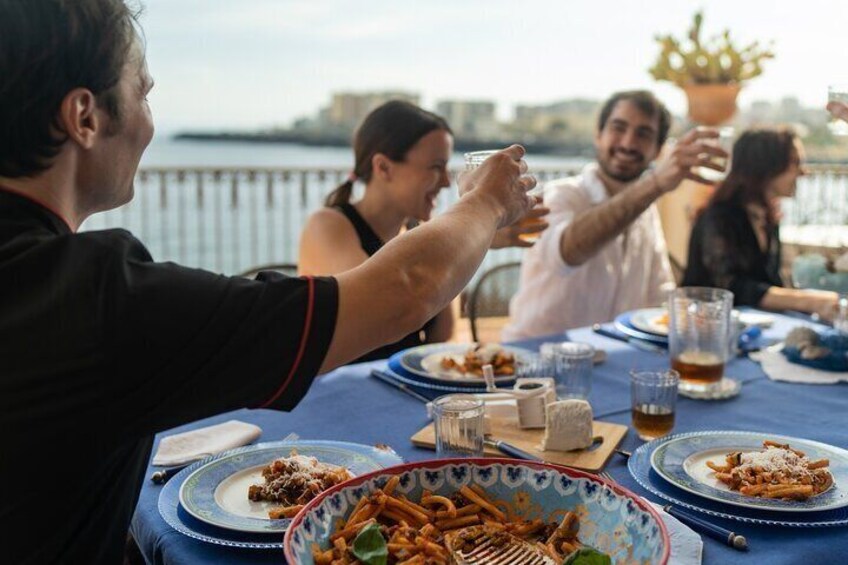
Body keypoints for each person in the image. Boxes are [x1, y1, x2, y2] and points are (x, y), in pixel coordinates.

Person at [0, 2, 534, 563]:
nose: (149, 123)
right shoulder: (89, 298)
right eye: (145, 92)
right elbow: (403, 290)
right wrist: (488, 200)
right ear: (84, 116)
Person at [299, 100, 549, 360]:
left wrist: (475, 237)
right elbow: (387, 310)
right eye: (435, 167)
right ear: (383, 167)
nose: (444, 182)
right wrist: (475, 219)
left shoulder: (416, 230)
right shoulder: (328, 225)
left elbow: (442, 336)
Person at [503, 90, 726, 339]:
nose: (628, 143)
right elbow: (564, 254)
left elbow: (659, 295)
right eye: (619, 128)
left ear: (657, 151)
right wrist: (656, 183)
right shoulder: (560, 195)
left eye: (643, 134)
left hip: (614, 357)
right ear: (598, 135)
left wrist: (704, 320)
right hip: (539, 359)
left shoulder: (646, 209)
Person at [682, 128, 839, 316]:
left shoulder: (767, 217)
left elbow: (771, 282)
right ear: (767, 165)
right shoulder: (719, 217)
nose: (803, 172)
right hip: (705, 326)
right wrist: (808, 301)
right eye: (795, 163)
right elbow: (730, 287)